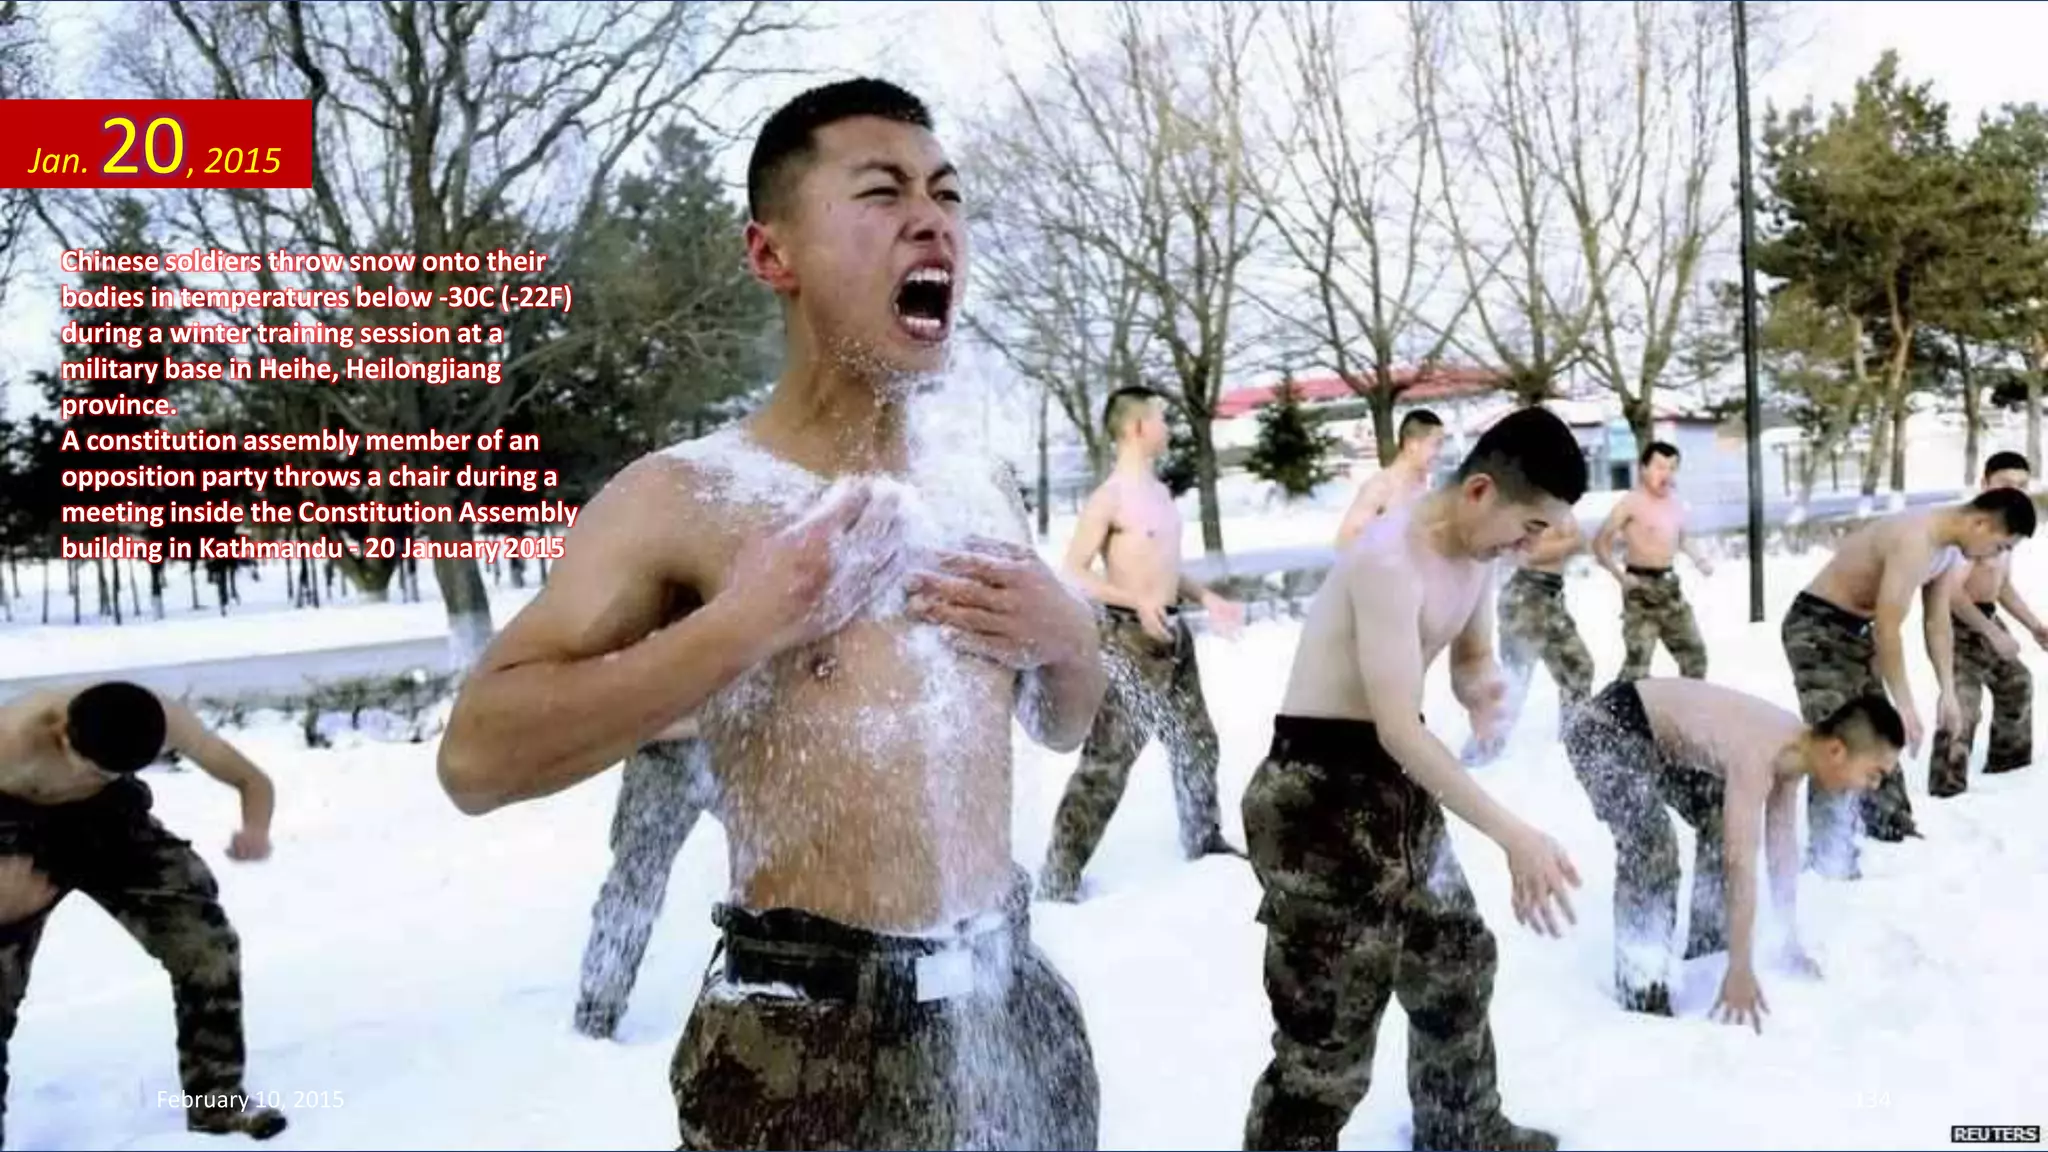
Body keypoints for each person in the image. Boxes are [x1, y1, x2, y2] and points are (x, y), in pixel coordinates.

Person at [437, 78, 1106, 1151]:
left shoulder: (980, 487)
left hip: (1008, 1006)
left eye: (945, 194)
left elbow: (1059, 724)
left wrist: (1068, 641)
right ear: (771, 256)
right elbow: (475, 761)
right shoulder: (685, 496)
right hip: (808, 1046)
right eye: (881, 193)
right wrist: (738, 628)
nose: (932, 218)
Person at [1240, 406, 1587, 1152]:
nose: (1532, 548)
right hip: (1316, 796)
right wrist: (1515, 835)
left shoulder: (1478, 557)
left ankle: (1461, 1125)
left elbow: (1465, 657)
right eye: (1530, 527)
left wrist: (1481, 686)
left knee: (1455, 959)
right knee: (1328, 1042)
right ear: (1481, 491)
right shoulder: (1387, 559)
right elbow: (1396, 724)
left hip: (1397, 782)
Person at [0, 681, 286, 1145]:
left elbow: (253, 780)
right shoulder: (10, 737)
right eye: (92, 768)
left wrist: (256, 829)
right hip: (9, 829)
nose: (96, 775)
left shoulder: (163, 718)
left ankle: (218, 1103)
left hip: (111, 825)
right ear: (62, 732)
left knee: (207, 947)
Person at [1562, 678, 1904, 1027]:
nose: (1872, 787)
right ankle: (1643, 989)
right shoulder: (1760, 752)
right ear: (1837, 751)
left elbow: (1781, 853)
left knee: (1717, 816)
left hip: (1654, 740)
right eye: (1874, 774)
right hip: (1603, 725)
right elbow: (1740, 862)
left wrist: (1788, 943)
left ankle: (1709, 949)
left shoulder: (1795, 755)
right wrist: (1740, 969)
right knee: (1653, 844)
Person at [1039, 385, 1245, 902]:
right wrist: (1135, 600)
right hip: (1127, 640)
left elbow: (1169, 568)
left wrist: (1207, 597)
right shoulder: (1109, 498)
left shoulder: (1158, 493)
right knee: (1108, 763)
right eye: (1160, 418)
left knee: (1197, 742)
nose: (1167, 426)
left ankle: (1204, 840)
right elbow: (1074, 572)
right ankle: (1059, 877)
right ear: (1135, 427)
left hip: (1173, 636)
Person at [1784, 487, 2035, 878]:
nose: (1996, 557)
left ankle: (1891, 829)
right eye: (2000, 546)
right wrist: (1904, 704)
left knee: (1878, 737)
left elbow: (1937, 624)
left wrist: (1947, 692)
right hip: (1817, 627)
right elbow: (1888, 628)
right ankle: (1829, 858)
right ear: (1981, 523)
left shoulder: (1950, 548)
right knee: (1838, 737)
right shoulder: (1916, 538)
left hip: (1856, 632)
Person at [572, 727, 717, 1040]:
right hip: (664, 749)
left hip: (742, 737)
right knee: (634, 886)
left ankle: (779, 993)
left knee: (777, 864)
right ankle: (597, 1010)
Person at [1927, 452, 2043, 797]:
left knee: (2017, 683)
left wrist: (2035, 625)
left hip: (1988, 616)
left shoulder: (2010, 525)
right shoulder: (1975, 528)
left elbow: (2001, 584)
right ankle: (1947, 787)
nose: (2017, 491)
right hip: (1958, 624)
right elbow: (1951, 593)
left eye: (2023, 485)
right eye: (2007, 483)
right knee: (1963, 703)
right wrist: (1990, 632)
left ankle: (2009, 767)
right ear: (1985, 483)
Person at [1593, 441, 1712, 681]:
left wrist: (1700, 560)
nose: (1666, 474)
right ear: (1643, 468)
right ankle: (1618, 715)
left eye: (1672, 468)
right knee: (1638, 665)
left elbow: (1684, 539)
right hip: (1639, 588)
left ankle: (1688, 711)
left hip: (1670, 588)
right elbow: (1599, 543)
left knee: (1695, 656)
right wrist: (1620, 576)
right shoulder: (1630, 503)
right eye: (1659, 467)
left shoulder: (1676, 504)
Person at [1494, 516, 1595, 739]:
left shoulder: (1562, 509)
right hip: (1525, 596)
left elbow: (1583, 543)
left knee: (1578, 667)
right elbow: (1528, 555)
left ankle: (1573, 735)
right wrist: (1569, 543)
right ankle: (1483, 750)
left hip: (1552, 596)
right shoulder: (1532, 506)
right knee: (1515, 680)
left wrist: (1569, 544)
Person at [1335, 409, 1446, 548]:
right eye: (1436, 444)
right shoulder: (1381, 486)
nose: (1439, 453)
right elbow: (1345, 540)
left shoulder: (1426, 487)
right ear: (1413, 444)